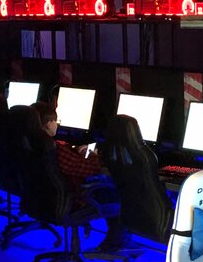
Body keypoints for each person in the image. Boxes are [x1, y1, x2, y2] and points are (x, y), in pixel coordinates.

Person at [30, 101, 131, 251]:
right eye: (56, 121)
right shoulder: (54, 149)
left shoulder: (31, 143)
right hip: (74, 200)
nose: (57, 125)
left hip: (42, 199)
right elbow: (89, 169)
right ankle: (118, 244)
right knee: (121, 191)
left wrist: (77, 151)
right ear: (49, 123)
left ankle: (116, 241)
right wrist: (94, 155)